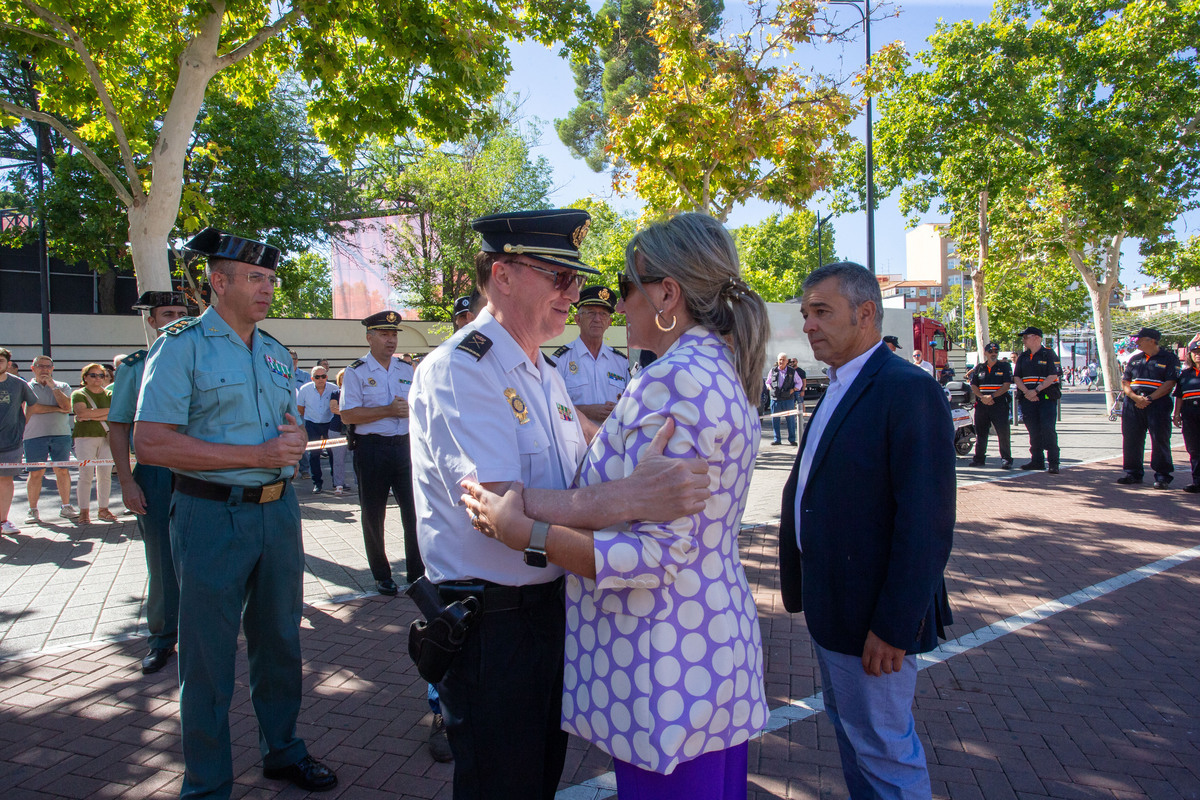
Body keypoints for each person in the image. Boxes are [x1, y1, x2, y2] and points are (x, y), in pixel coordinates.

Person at [461, 212, 770, 799]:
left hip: (668, 661)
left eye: (627, 287)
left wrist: (525, 529)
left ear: (667, 295)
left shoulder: (673, 381)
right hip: (704, 650)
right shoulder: (709, 369)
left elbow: (653, 556)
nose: (617, 304)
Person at [410, 208, 711, 800]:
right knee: (503, 783)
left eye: (575, 278)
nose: (575, 293)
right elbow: (496, 510)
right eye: (557, 277)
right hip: (492, 623)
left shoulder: (542, 370)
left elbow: (579, 465)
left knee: (538, 775)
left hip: (547, 607)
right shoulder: (460, 370)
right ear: (502, 274)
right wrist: (631, 495)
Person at [134, 227, 337, 796]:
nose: (268, 287)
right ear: (217, 282)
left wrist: (291, 440)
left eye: (271, 278)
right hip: (209, 515)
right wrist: (256, 454)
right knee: (207, 657)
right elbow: (150, 442)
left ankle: (283, 750)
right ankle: (207, 783)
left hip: (278, 513)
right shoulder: (180, 347)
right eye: (255, 277)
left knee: (280, 642)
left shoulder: (273, 352)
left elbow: (284, 423)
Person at [779, 261, 955, 800]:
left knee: (882, 750)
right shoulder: (838, 384)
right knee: (856, 741)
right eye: (806, 313)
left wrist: (895, 625)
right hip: (835, 609)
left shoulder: (906, 390)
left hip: (874, 622)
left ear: (866, 313)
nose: (808, 324)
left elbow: (926, 522)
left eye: (822, 312)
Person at [110, 290, 192, 675]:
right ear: (152, 320)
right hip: (156, 474)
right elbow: (119, 426)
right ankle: (162, 639)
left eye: (182, 312)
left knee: (208, 552)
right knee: (161, 561)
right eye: (167, 313)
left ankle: (205, 633)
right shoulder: (136, 366)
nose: (175, 318)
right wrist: (127, 483)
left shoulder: (202, 357)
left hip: (199, 469)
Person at [340, 310, 420, 594]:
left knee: (414, 511)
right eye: (384, 334)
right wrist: (387, 410)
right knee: (374, 513)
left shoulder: (405, 369)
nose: (391, 340)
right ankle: (382, 575)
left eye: (394, 334)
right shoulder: (356, 371)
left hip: (404, 447)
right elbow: (348, 415)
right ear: (369, 337)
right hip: (372, 449)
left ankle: (417, 572)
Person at [553, 285, 629, 424]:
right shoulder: (560, 360)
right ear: (577, 319)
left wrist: (621, 409)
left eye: (603, 314)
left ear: (609, 323)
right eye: (591, 313)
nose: (597, 319)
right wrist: (586, 411)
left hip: (614, 441)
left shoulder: (622, 362)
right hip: (577, 442)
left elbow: (632, 406)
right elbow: (550, 407)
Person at [1117, 327, 1179, 489]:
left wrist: (1149, 398)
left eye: (1140, 339)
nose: (1136, 341)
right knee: (1131, 439)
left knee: (1160, 439)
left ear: (1151, 341)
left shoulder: (1169, 358)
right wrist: (1135, 397)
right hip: (1133, 404)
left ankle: (1162, 475)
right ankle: (1133, 473)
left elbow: (1170, 383)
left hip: (1157, 404)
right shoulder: (1135, 359)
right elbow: (1125, 381)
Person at [21, 356, 77, 523]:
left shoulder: (62, 386)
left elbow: (67, 407)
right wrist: (56, 409)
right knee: (36, 473)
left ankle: (66, 506)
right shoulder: (26, 387)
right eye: (40, 366)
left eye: (48, 366)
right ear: (33, 368)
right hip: (33, 436)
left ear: (53, 368)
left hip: (61, 435)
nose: (44, 369)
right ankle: (33, 510)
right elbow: (31, 408)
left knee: (62, 470)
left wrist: (53, 388)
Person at [0, 348, 39, 537]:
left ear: (8, 363)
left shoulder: (18, 384)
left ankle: (3, 521)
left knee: (5, 481)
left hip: (11, 441)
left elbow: (32, 404)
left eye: (0, 360)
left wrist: (23, 424)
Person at [1014, 326, 1063, 473]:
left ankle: (1053, 462)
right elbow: (1017, 377)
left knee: (1048, 429)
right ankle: (1037, 461)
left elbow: (1053, 375)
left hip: (1046, 397)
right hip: (1028, 397)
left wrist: (1036, 390)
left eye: (1026, 337)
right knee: (1033, 430)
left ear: (1036, 337)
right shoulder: (1022, 356)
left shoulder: (1048, 354)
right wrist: (1027, 392)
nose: (1023, 340)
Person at [72, 363, 116, 525]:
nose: (98, 378)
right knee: (85, 475)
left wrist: (92, 416)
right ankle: (84, 511)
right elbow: (81, 413)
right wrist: (102, 414)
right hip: (85, 436)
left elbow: (116, 413)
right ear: (85, 377)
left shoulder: (110, 394)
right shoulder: (79, 394)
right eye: (93, 375)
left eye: (101, 375)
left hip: (107, 436)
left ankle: (103, 509)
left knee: (105, 475)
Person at [968, 342, 1013, 468]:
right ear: (985, 353)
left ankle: (1006, 459)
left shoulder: (1004, 366)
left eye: (996, 352)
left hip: (999, 404)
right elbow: (974, 385)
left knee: (1003, 433)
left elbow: (1006, 385)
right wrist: (982, 397)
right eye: (991, 352)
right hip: (982, 404)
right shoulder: (979, 368)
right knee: (981, 433)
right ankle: (979, 458)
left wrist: (991, 396)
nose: (994, 354)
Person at [297, 365, 338, 494]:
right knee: (314, 454)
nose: (321, 379)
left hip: (329, 423)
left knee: (333, 453)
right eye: (317, 377)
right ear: (312, 378)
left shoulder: (334, 389)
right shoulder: (305, 389)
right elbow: (300, 409)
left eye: (323, 376)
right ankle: (317, 483)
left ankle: (336, 482)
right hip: (312, 423)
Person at [1173, 340, 1200, 493]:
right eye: (1195, 352)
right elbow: (1179, 395)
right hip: (1190, 412)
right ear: (1190, 354)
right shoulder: (1185, 374)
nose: (1198, 355)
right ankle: (1197, 481)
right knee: (1194, 449)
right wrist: (1176, 414)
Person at [765, 352, 802, 446]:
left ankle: (792, 439)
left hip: (788, 399)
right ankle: (777, 439)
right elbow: (768, 382)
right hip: (775, 399)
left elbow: (799, 383)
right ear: (777, 361)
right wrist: (769, 388)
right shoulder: (773, 370)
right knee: (775, 420)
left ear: (787, 361)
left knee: (790, 420)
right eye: (780, 359)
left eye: (783, 359)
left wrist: (793, 390)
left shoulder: (792, 371)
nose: (781, 361)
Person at [326, 370, 351, 496]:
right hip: (337, 429)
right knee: (338, 460)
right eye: (343, 377)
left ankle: (361, 483)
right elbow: (334, 408)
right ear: (339, 380)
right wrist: (353, 412)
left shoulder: (359, 392)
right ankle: (338, 484)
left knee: (359, 459)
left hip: (355, 429)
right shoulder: (335, 393)